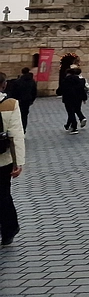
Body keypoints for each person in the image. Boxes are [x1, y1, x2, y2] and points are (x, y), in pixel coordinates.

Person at [0, 73, 26, 248]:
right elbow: (16, 135)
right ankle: (9, 230)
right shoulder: (10, 104)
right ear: (4, 85)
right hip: (2, 159)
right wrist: (19, 162)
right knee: (3, 194)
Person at [60, 65, 88, 134]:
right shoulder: (79, 80)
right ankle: (69, 125)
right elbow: (82, 89)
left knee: (71, 112)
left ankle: (74, 127)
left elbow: (60, 90)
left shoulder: (65, 80)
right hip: (77, 99)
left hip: (68, 99)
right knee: (74, 111)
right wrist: (84, 98)